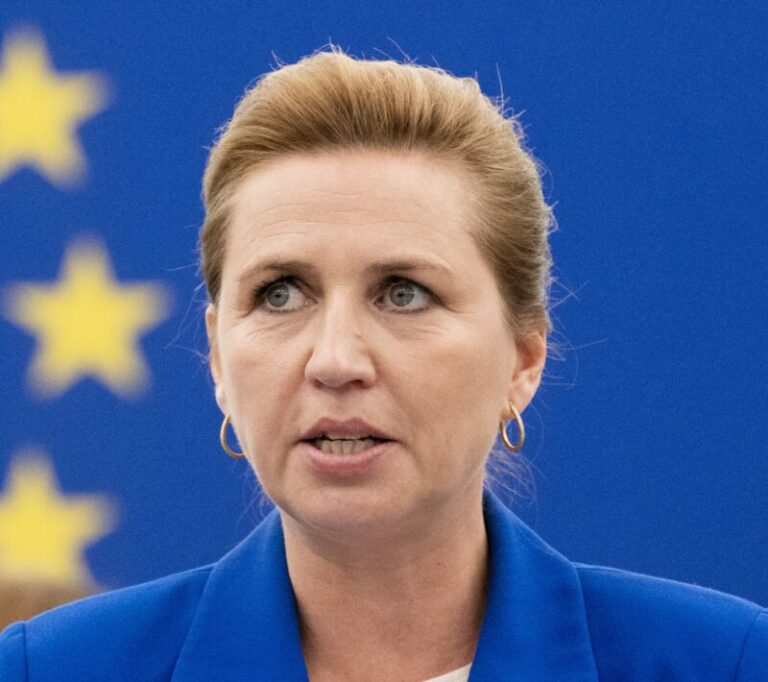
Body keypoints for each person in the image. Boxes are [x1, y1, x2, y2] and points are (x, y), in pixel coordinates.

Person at [0, 46, 766, 681]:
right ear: (217, 362)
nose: (335, 360)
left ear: (523, 360)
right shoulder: (51, 670)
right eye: (279, 294)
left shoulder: (722, 663)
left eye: (403, 293)